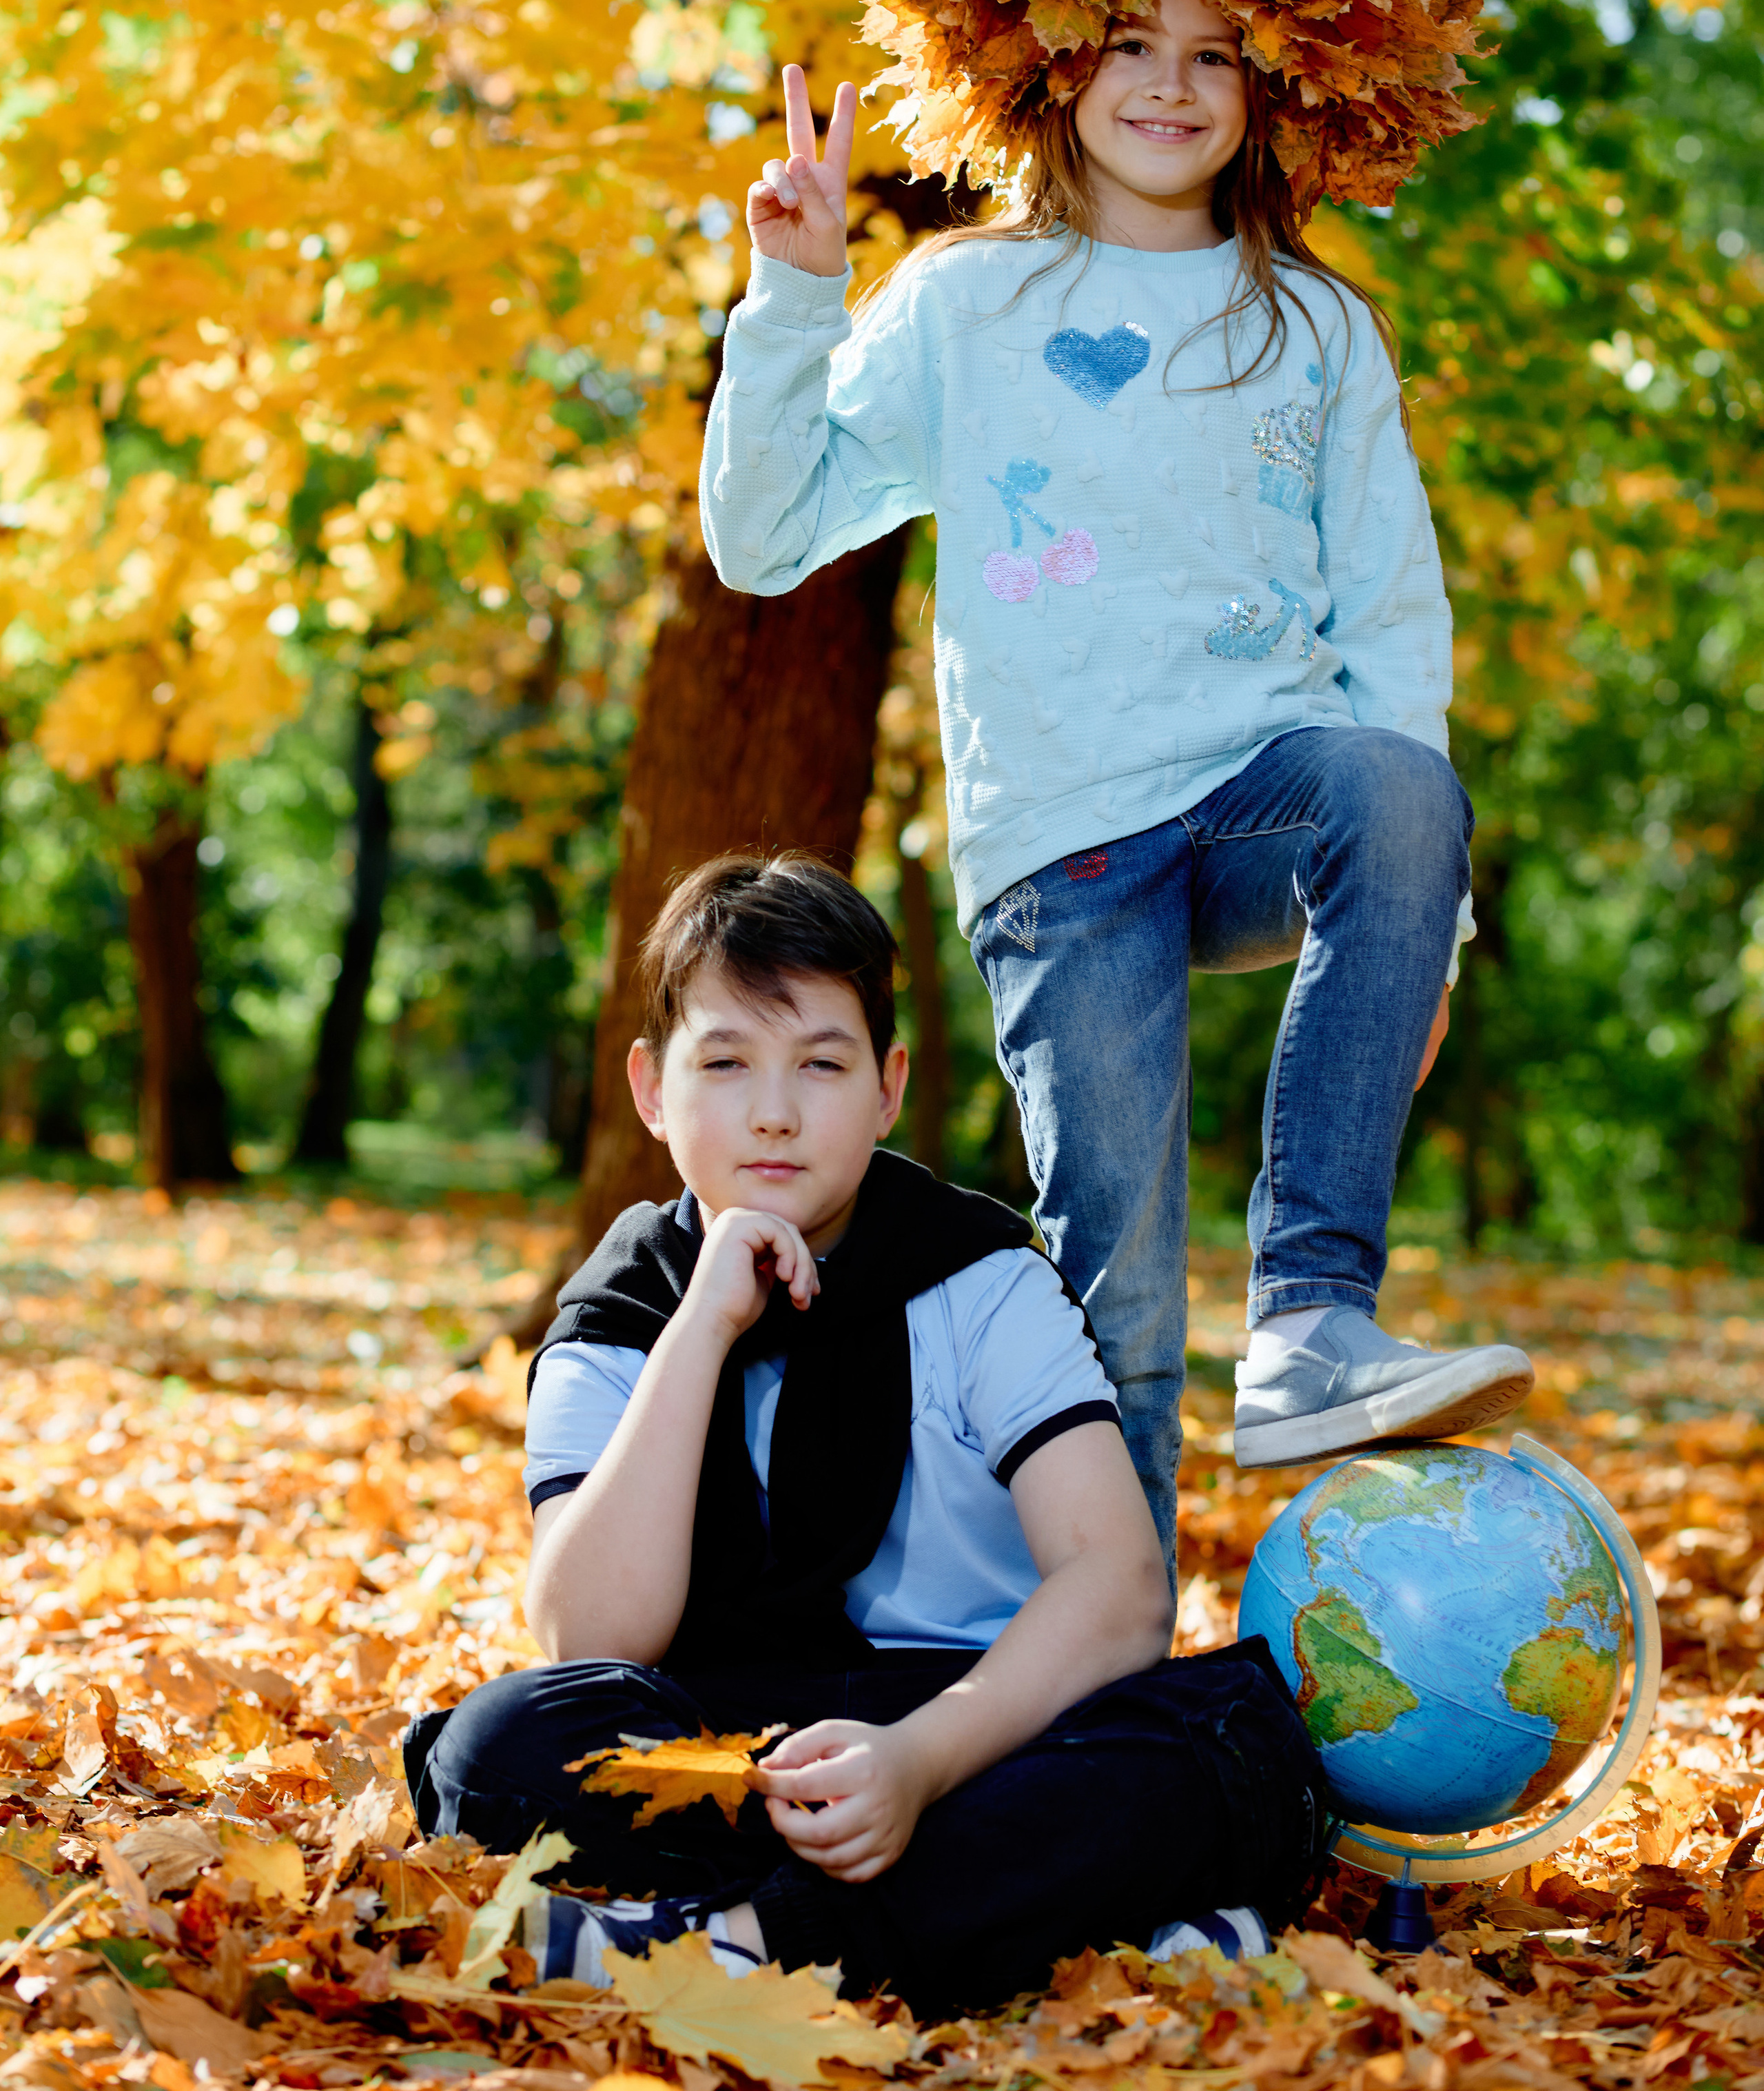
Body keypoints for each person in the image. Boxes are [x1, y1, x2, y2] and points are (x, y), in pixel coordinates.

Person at [698, 0, 1534, 1564]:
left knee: (1399, 790)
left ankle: (1316, 1322)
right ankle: (1105, 1675)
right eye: (1128, 38)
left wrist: (1430, 913)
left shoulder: (1317, 328)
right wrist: (796, 300)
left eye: (1217, 52)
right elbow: (765, 541)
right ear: (1042, 54)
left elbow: (1394, 624)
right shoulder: (962, 307)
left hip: (1254, 806)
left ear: (1284, 84)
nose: (1170, 82)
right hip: (1061, 845)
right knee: (1121, 1294)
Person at [403, 853, 1332, 2016]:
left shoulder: (979, 1277)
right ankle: (1052, 1913)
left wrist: (920, 1763)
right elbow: (594, 1632)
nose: (775, 1112)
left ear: (890, 1087)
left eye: (823, 1064)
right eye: (726, 1062)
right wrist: (704, 1325)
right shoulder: (621, 1314)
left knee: (1229, 1750)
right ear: (650, 1088)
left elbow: (1120, 1589)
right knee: (497, 1751)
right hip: (734, 1746)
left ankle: (741, 1938)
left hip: (976, 1722)